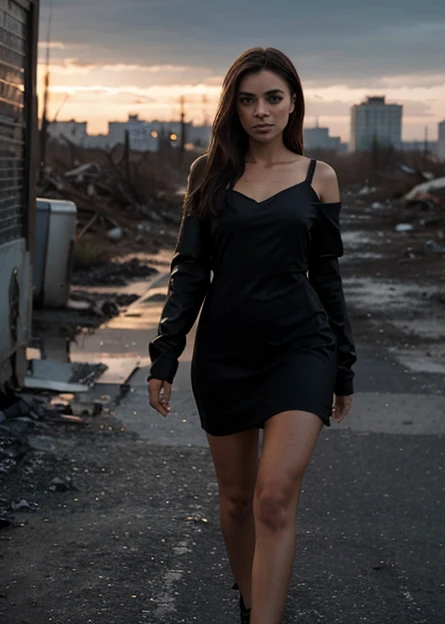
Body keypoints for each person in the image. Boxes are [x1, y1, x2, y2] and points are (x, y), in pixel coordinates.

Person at [148, 46, 356, 624]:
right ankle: (249, 602)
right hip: (225, 353)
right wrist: (166, 355)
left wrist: (344, 366)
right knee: (237, 501)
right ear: (233, 108)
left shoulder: (321, 178)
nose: (260, 110)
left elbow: (327, 278)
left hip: (301, 347)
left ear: (292, 104)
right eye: (247, 100)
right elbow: (189, 271)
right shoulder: (208, 175)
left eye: (272, 98)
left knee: (272, 497)